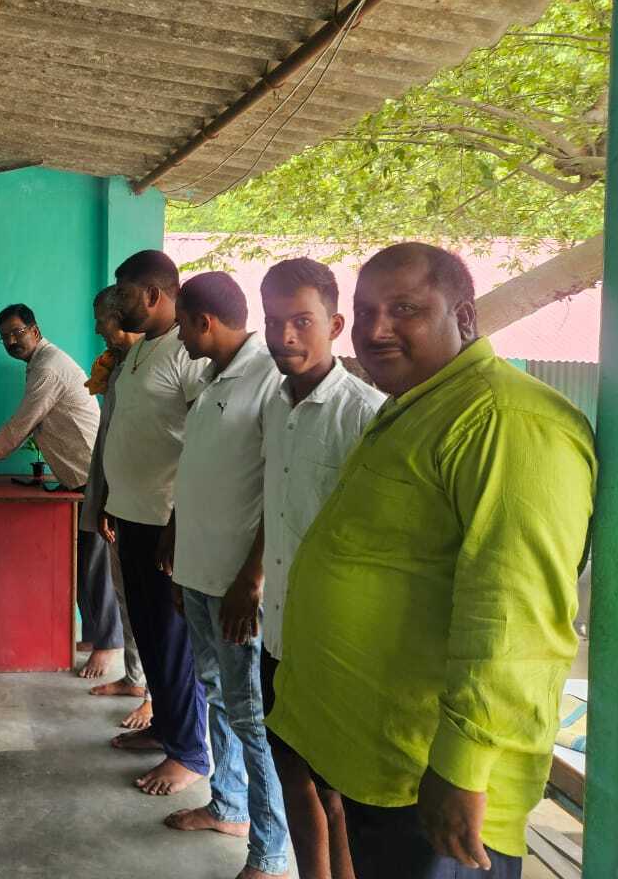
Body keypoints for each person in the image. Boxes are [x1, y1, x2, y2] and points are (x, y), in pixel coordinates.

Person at [267, 243, 597, 878]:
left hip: (436, 777)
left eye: (405, 309)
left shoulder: (506, 420)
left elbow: (514, 617)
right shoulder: (419, 404)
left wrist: (463, 768)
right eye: (366, 311)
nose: (375, 330)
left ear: (463, 316)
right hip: (382, 757)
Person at [243, 259, 384, 879]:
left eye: (302, 321)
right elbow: (276, 508)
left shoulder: (366, 416)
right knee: (290, 775)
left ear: (336, 325)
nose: (285, 336)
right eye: (274, 321)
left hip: (335, 645)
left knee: (337, 796)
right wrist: (252, 579)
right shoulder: (276, 405)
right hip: (278, 633)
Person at [168, 272, 289, 878]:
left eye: (182, 326)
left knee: (251, 715)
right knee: (215, 694)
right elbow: (201, 470)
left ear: (204, 322)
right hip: (199, 570)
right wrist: (176, 542)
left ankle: (269, 851)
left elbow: (277, 487)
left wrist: (253, 578)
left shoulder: (269, 380)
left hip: (236, 584)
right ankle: (229, 806)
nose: (179, 338)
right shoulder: (213, 377)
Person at [101, 250, 211, 797]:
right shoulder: (141, 348)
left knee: (172, 640)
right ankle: (165, 726)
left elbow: (203, 441)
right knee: (146, 631)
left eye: (123, 293)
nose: (116, 303)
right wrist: (111, 497)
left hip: (165, 522)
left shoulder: (187, 354)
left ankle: (189, 752)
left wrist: (178, 519)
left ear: (153, 294)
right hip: (130, 513)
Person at [0, 304, 120, 679]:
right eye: (4, 337)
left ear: (34, 330)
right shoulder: (39, 364)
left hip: (93, 475)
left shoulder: (48, 367)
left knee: (96, 565)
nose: (11, 341)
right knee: (83, 561)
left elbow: (22, 424)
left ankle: (109, 644)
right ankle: (96, 635)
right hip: (79, 476)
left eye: (16, 333)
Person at [80, 286, 152, 729]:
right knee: (125, 594)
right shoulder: (120, 364)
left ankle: (155, 699)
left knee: (150, 608)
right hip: (116, 496)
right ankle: (135, 677)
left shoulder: (152, 361)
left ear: (121, 316)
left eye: (101, 318)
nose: (96, 328)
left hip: (147, 506)